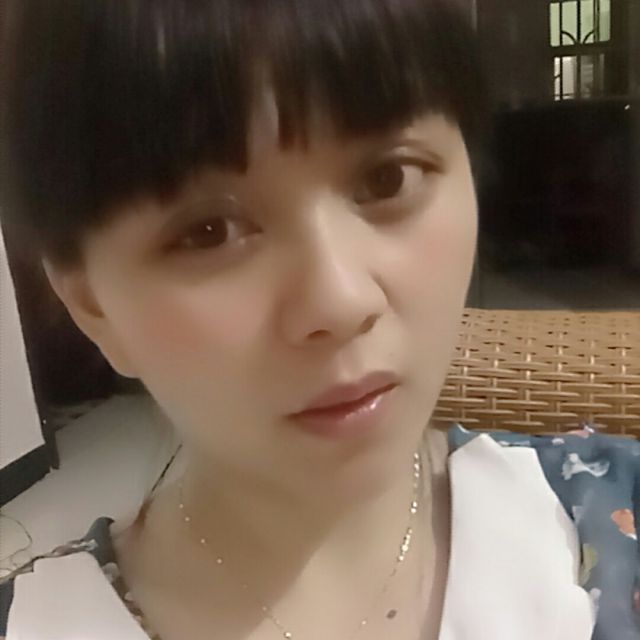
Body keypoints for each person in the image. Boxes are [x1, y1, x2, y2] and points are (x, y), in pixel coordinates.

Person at [0, 1, 637, 639]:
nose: (341, 301)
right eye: (209, 231)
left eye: (388, 179)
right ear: (93, 305)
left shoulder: (611, 517)